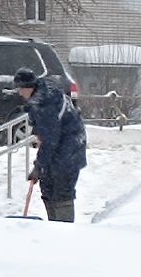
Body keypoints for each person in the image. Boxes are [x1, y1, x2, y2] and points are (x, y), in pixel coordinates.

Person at [14, 67, 87, 223]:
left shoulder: (45, 104)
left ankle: (63, 231)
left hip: (69, 152)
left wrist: (38, 166)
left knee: (61, 192)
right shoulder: (41, 98)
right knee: (47, 187)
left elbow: (49, 139)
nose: (20, 93)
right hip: (60, 149)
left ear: (29, 87)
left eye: (21, 89)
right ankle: (52, 227)